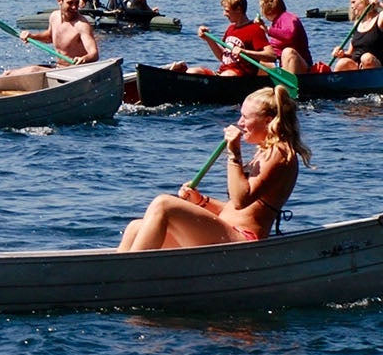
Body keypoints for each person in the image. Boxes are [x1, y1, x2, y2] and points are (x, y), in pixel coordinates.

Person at [119, 87, 308, 250]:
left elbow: (241, 200)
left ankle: (131, 275)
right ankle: (117, 277)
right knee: (136, 227)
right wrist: (201, 201)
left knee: (163, 204)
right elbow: (238, 208)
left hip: (243, 241)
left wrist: (234, 153)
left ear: (268, 121)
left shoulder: (280, 153)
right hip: (227, 232)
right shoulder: (265, 152)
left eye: (245, 117)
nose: (240, 122)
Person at [176, 0, 269, 76]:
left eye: (227, 11)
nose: (224, 14)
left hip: (241, 75)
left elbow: (271, 56)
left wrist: (244, 52)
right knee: (192, 72)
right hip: (223, 72)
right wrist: (208, 39)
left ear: (238, 9)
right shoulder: (230, 29)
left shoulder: (255, 29)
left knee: (227, 75)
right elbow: (222, 57)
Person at [11, 0, 99, 71]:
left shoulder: (82, 25)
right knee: (10, 73)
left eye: (76, 3)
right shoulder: (54, 17)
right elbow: (49, 37)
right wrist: (32, 36)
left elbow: (94, 54)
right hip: (58, 68)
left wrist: (84, 59)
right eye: (70, 3)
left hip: (74, 71)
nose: (74, 7)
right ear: (60, 0)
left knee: (32, 70)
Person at [249, 0, 312, 74]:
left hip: (301, 66)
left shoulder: (288, 18)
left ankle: (288, 85)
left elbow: (289, 35)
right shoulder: (275, 22)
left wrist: (268, 30)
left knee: (288, 52)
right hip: (279, 63)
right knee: (259, 61)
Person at [332, 0, 383, 71]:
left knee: (366, 58)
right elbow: (351, 53)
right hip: (358, 67)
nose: (351, 6)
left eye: (353, 2)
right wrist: (341, 54)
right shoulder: (357, 23)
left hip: (376, 68)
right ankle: (333, 83)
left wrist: (379, 3)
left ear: (365, 1)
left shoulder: (379, 18)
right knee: (342, 63)